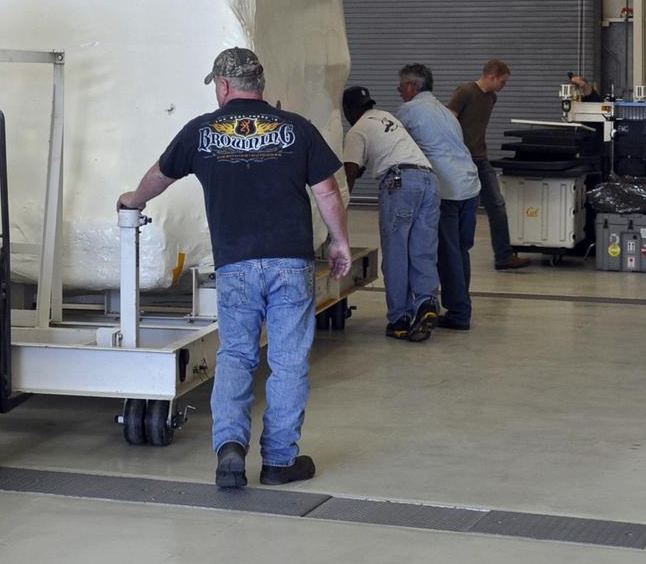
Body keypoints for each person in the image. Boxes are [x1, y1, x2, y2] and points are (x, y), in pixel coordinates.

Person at [117, 48, 353, 491]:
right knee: (288, 361)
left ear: (223, 86)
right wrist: (339, 242)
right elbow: (327, 192)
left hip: (236, 264)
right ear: (260, 84)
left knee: (237, 356)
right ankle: (279, 461)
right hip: (290, 262)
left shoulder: (201, 131)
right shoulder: (297, 128)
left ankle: (229, 446)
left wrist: (135, 199)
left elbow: (160, 175)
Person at [340, 85, 440, 342]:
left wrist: (336, 212)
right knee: (422, 250)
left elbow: (350, 174)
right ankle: (426, 304)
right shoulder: (386, 117)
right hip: (428, 180)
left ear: (347, 110)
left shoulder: (356, 131)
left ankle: (399, 319)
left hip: (399, 183)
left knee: (396, 253)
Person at [394, 63, 480, 332]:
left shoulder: (408, 110)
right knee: (460, 250)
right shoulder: (445, 111)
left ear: (411, 86)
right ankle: (459, 307)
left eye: (400, 87)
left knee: (447, 252)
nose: (400, 92)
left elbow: (397, 147)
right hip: (470, 185)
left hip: (447, 189)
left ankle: (459, 312)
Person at [448, 59, 530, 270]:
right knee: (457, 207)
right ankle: (451, 253)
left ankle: (504, 256)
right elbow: (449, 120)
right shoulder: (465, 92)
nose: (504, 85)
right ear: (492, 77)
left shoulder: (492, 98)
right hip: (460, 159)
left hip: (480, 158)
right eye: (503, 81)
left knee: (497, 205)